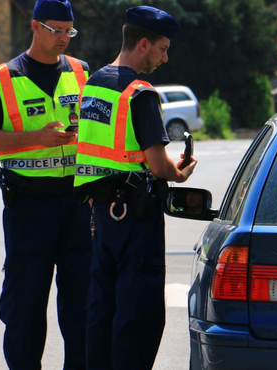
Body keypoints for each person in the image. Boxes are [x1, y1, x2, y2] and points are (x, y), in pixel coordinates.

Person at [72, 6, 196, 370]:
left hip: (100, 216)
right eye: (162, 48)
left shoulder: (94, 83)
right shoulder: (139, 93)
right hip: (136, 218)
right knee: (138, 312)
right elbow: (158, 165)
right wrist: (181, 173)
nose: (165, 57)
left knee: (102, 308)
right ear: (143, 44)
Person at [0, 0, 92, 369]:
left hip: (77, 206)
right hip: (28, 208)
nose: (63, 39)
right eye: (56, 30)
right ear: (36, 27)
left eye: (69, 31)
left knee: (82, 305)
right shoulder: (5, 78)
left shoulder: (82, 72)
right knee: (25, 306)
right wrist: (34, 138)